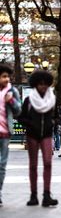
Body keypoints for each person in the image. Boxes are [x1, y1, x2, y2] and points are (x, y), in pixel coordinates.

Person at [18, 70, 58, 207]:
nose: (43, 86)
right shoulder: (29, 100)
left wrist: (52, 123)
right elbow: (21, 116)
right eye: (40, 84)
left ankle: (46, 194)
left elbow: (56, 115)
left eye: (45, 84)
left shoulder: (52, 99)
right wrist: (30, 124)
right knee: (33, 165)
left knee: (48, 163)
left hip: (46, 134)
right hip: (32, 135)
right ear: (35, 85)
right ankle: (33, 195)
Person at [0, 64, 21, 206]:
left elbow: (19, 110)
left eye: (8, 76)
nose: (6, 79)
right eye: (3, 76)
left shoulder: (12, 91)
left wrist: (11, 100)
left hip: (5, 133)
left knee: (1, 165)